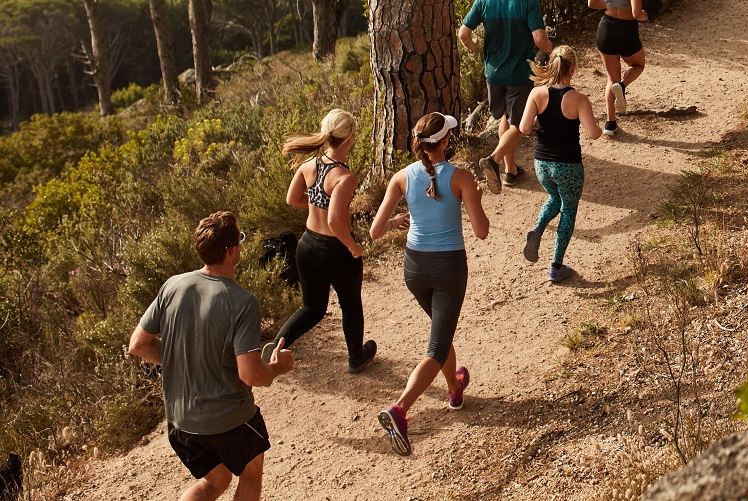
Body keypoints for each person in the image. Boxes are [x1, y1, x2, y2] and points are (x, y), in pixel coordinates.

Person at [127, 211, 295, 501]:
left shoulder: (173, 286)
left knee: (215, 480)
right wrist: (277, 368)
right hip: (228, 420)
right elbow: (250, 375)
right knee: (251, 471)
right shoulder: (242, 302)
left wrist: (180, 359)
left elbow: (138, 345)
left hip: (181, 421)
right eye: (240, 240)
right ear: (232, 251)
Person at [368, 113, 490, 455]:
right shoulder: (461, 177)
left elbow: (376, 231)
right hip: (449, 268)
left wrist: (395, 223)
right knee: (436, 349)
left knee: (441, 329)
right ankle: (400, 409)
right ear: (447, 141)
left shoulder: (401, 177)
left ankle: (454, 387)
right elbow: (481, 232)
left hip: (414, 269)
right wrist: (475, 198)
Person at [480, 47, 603, 282]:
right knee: (568, 209)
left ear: (551, 65)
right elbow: (594, 134)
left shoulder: (537, 94)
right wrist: (591, 120)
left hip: (542, 164)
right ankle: (556, 266)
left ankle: (537, 228)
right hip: (568, 165)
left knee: (555, 199)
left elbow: (524, 128)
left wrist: (541, 122)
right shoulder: (578, 99)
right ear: (574, 69)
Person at [274, 109, 378, 373]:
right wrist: (353, 246)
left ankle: (276, 345)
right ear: (350, 138)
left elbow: (292, 199)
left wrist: (314, 208)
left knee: (312, 307)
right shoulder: (345, 177)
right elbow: (334, 221)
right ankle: (356, 357)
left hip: (307, 246)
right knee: (350, 303)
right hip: (336, 250)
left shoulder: (309, 166)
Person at [460, 0, 553, 189]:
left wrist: (473, 47)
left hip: (493, 74)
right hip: (518, 74)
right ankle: (493, 160)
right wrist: (551, 50)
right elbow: (539, 38)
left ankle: (510, 171)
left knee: (506, 117)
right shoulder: (528, 3)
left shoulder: (484, 2)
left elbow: (463, 34)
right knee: (520, 126)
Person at [589, 0, 648, 136]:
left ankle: (610, 124)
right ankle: (622, 86)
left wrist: (611, 4)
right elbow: (637, 13)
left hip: (606, 28)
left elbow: (591, 4)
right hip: (626, 31)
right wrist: (645, 15)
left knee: (612, 77)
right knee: (638, 65)